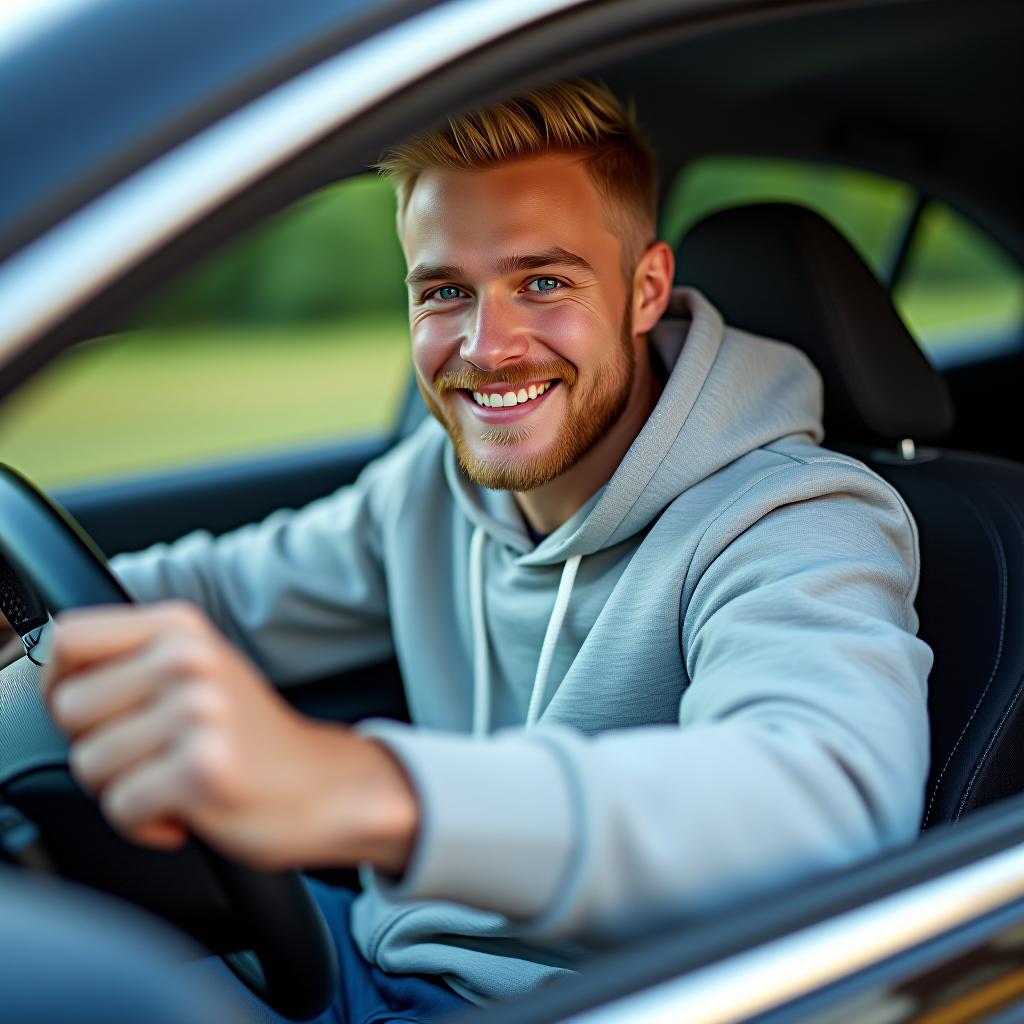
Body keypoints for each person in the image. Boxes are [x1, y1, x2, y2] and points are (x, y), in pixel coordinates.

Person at [37, 80, 931, 1019]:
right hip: (364, 951)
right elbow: (216, 593)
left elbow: (821, 803)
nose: (486, 347)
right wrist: (28, 617)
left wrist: (359, 787)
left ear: (645, 291)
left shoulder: (798, 517)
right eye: (445, 291)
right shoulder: (434, 483)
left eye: (542, 282)